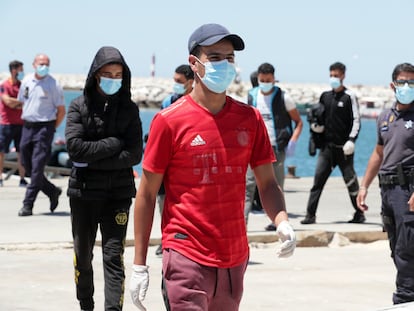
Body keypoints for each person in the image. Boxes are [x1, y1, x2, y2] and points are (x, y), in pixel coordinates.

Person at [129, 23, 296, 311]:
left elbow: (268, 183)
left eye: (230, 58)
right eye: (215, 57)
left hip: (234, 259)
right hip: (185, 254)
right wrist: (139, 264)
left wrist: (281, 220)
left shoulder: (250, 119)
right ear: (194, 63)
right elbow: (145, 195)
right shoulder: (169, 121)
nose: (225, 65)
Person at [65, 46, 143, 311]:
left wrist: (93, 159)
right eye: (107, 73)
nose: (113, 79)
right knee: (83, 256)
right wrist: (113, 144)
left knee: (113, 257)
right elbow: (74, 148)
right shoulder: (78, 106)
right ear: (95, 75)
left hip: (117, 196)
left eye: (118, 74)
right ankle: (86, 304)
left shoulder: (130, 110)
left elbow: (134, 154)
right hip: (83, 194)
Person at [357, 63, 414, 305]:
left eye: (412, 83)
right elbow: (378, 154)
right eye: (402, 82)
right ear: (393, 85)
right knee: (395, 246)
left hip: (408, 189)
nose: (407, 87)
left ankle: (404, 298)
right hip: (387, 190)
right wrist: (364, 186)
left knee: (407, 247)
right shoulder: (385, 117)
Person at [301, 62, 363, 224]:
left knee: (351, 182)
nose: (333, 78)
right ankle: (310, 215)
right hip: (327, 149)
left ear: (343, 76)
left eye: (336, 75)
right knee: (317, 181)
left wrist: (351, 140)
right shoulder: (325, 96)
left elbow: (356, 120)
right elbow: (319, 117)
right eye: (331, 75)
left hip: (345, 149)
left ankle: (359, 213)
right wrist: (316, 127)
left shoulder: (349, 96)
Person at [244, 63, 303, 231]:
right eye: (262, 80)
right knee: (248, 186)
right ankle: (243, 222)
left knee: (276, 185)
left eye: (268, 80)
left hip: (277, 148)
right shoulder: (252, 95)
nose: (264, 83)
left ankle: (277, 221)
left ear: (274, 79)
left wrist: (293, 141)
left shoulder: (284, 97)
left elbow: (298, 122)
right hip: (254, 148)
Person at [16, 54, 65, 216]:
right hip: (28, 127)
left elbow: (61, 111)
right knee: (26, 165)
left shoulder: (53, 84)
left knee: (37, 167)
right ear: (34, 64)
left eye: (47, 64)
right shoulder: (27, 81)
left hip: (45, 128)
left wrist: (51, 128)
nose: (44, 66)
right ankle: (52, 191)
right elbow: (23, 102)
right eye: (41, 63)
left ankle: (27, 204)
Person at [155, 64, 195, 256]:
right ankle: (166, 238)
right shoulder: (167, 102)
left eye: (179, 82)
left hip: (186, 163)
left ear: (190, 82)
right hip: (166, 161)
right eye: (174, 81)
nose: (175, 85)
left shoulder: (195, 102)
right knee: (162, 201)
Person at [0, 60, 27, 187]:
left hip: (21, 124)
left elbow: (27, 101)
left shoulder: (22, 86)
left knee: (21, 152)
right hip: (6, 123)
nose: (22, 72)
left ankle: (22, 179)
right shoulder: (4, 85)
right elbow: (7, 101)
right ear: (14, 70)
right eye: (21, 69)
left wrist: (16, 103)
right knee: (1, 152)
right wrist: (19, 103)